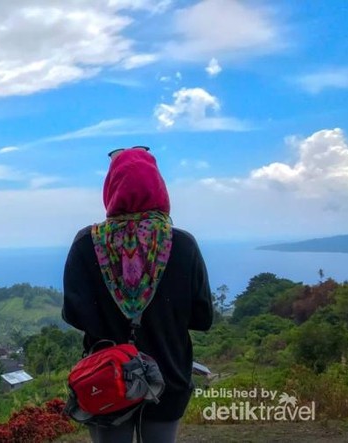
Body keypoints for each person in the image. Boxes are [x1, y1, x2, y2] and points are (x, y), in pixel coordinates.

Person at [62, 146, 213, 443]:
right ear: (159, 187)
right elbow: (202, 317)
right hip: (168, 375)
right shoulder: (183, 244)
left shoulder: (86, 243)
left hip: (107, 379)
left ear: (111, 188)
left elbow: (74, 314)